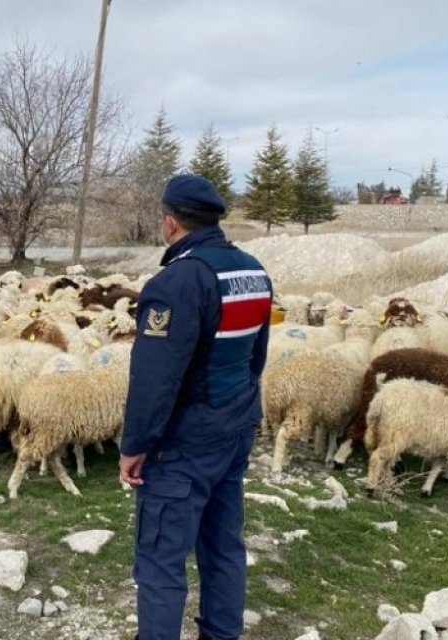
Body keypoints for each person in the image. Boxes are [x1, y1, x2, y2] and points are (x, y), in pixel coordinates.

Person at [118, 174, 273, 640]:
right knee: (223, 547)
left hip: (184, 445)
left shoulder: (178, 280)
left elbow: (154, 377)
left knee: (161, 561)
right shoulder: (251, 271)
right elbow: (256, 357)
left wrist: (135, 444)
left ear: (170, 223)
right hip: (233, 429)